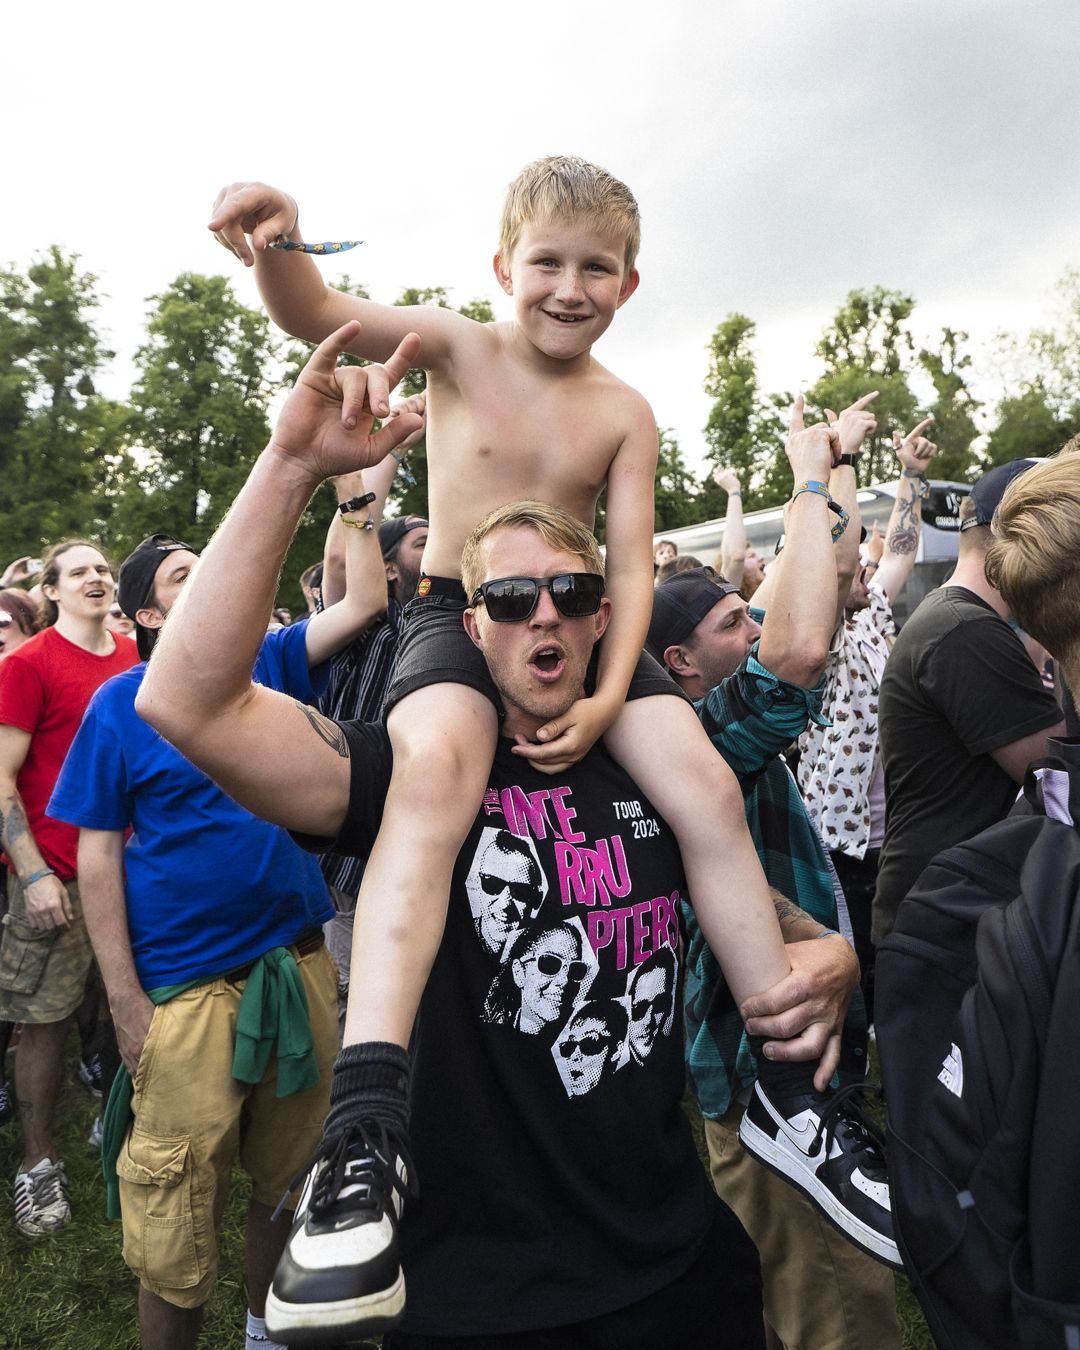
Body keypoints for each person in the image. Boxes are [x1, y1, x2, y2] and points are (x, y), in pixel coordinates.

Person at [137, 328, 858, 1348]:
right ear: (471, 627)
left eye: (572, 593)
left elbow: (695, 864)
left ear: (606, 617)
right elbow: (186, 701)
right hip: (473, 1295)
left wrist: (818, 945)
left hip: (678, 1266)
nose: (543, 616)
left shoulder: (654, 753)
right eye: (512, 600)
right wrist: (292, 465)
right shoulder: (407, 770)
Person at [47, 524, 385, 1350]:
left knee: (289, 1177)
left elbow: (366, 601)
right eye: (180, 577)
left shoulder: (267, 667)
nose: (207, 580)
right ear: (147, 617)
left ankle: (263, 1334)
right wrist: (123, 1001)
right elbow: (96, 856)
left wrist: (354, 499)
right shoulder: (119, 706)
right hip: (187, 991)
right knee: (174, 1215)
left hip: (298, 964)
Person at [648, 393, 905, 1343]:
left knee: (784, 1294)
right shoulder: (702, 738)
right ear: (681, 661)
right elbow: (799, 646)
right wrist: (800, 477)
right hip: (770, 1068)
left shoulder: (696, 713)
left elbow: (822, 591)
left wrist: (832, 469)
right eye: (731, 622)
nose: (751, 627)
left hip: (788, 1055)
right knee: (836, 1313)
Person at [0, 540, 138, 1238]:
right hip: (52, 874)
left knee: (125, 1008)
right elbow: (1, 779)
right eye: (80, 570)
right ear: (51, 590)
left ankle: (120, 1130)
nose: (97, 577)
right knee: (45, 1020)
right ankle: (37, 1161)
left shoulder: (133, 658)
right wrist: (32, 874)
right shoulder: (27, 664)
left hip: (127, 871)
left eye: (103, 569)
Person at [873, 458, 1066, 945]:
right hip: (942, 925)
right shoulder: (966, 628)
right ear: (1024, 531)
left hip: (946, 907)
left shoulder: (960, 617)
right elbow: (1056, 774)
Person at [797, 419, 937, 1022]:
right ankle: (853, 1038)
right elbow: (834, 560)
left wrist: (911, 475)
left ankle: (883, 1027)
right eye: (850, 566)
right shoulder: (814, 633)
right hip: (840, 832)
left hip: (895, 822)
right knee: (852, 949)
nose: (861, 570)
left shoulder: (872, 611)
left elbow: (901, 549)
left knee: (893, 939)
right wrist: (841, 460)